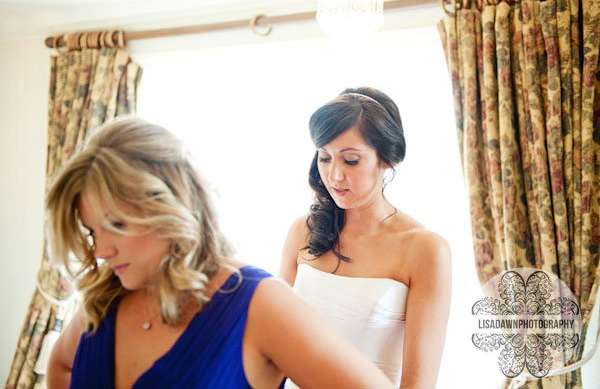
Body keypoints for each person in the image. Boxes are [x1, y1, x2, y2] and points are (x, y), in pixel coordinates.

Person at [45, 117, 394, 389]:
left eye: (117, 224)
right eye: (92, 231)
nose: (102, 251)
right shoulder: (105, 300)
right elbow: (61, 365)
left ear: (172, 205)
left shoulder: (257, 303)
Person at [279, 87, 452, 389]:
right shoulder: (302, 231)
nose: (333, 176)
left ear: (387, 160)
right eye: (324, 158)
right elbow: (275, 343)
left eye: (351, 161)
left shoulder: (424, 249)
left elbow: (418, 384)